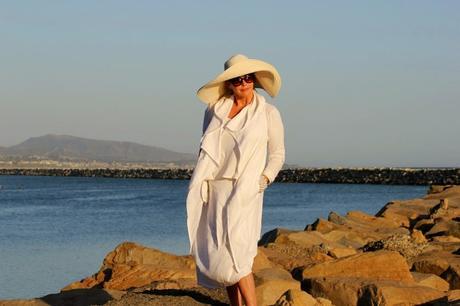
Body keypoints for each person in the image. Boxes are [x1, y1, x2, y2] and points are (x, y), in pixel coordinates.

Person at [186, 54, 285, 306]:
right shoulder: (214, 111)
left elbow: (277, 153)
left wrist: (264, 178)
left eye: (248, 78)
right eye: (239, 79)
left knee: (239, 253)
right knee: (220, 253)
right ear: (230, 83)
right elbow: (206, 151)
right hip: (216, 188)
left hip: (246, 189)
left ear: (255, 80)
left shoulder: (268, 113)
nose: (244, 83)